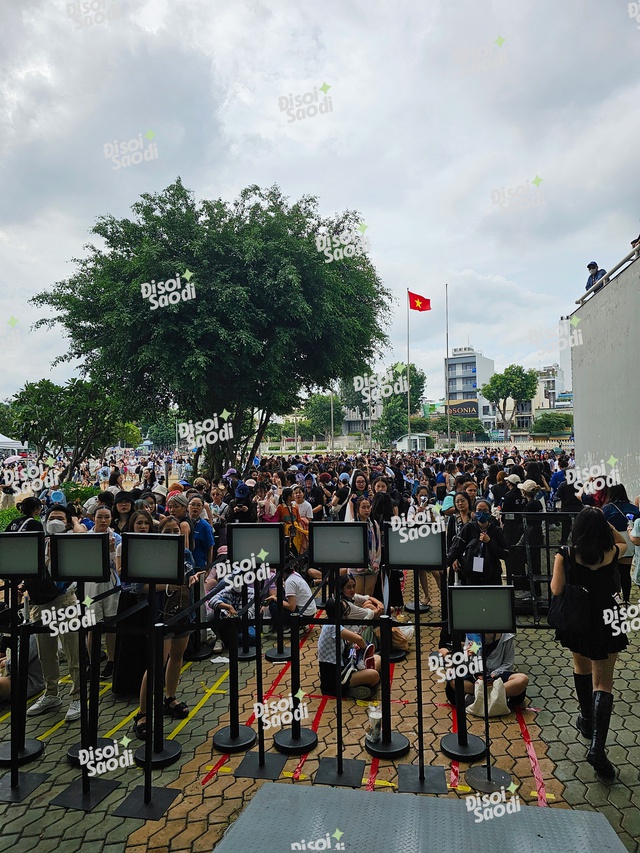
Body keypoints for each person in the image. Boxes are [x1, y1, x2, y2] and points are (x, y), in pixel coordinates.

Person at [550, 507, 629, 782]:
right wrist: (605, 524)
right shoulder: (612, 552)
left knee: (580, 666)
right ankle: (598, 747)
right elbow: (624, 541)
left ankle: (585, 718)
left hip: (577, 616)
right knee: (604, 683)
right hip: (608, 617)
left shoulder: (566, 553)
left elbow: (556, 590)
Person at [132, 515, 197, 737]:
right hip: (161, 613)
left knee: (177, 656)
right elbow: (138, 587)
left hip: (184, 611)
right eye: (167, 531)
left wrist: (192, 580)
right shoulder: (152, 554)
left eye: (175, 531)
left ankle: (170, 698)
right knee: (156, 663)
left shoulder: (186, 553)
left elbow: (187, 577)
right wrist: (169, 585)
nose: (172, 535)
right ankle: (142, 713)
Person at [22, 502, 82, 721]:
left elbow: (83, 533)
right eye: (51, 518)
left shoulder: (71, 542)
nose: (54, 522)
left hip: (65, 600)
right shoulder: (37, 543)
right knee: (46, 651)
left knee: (72, 650)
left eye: (61, 518)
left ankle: (77, 696)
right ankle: (51, 693)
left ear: (67, 523)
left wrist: (75, 522)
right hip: (39, 604)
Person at [317, 597, 380, 700]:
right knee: (374, 675)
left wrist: (351, 642)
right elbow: (359, 639)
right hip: (335, 677)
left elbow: (347, 645)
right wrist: (366, 651)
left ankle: (360, 684)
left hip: (346, 666)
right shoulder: (332, 626)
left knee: (378, 659)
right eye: (346, 612)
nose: (347, 615)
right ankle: (348, 689)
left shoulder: (333, 624)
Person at [85, 506, 121, 679]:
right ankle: (93, 662)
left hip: (111, 588)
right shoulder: (86, 538)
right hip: (89, 590)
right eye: (100, 517)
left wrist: (112, 551)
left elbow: (118, 568)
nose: (103, 520)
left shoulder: (117, 538)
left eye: (107, 517)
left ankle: (112, 661)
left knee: (111, 624)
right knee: (92, 626)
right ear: (94, 518)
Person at [447, 499, 508, 585]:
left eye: (485, 510)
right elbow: (456, 547)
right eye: (479, 510)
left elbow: (504, 553)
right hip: (471, 574)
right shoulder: (469, 528)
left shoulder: (496, 531)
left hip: (492, 574)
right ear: (474, 513)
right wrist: (447, 563)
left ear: (490, 513)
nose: (482, 513)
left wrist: (489, 542)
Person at [602, 484, 639, 606]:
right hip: (629, 541)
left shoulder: (607, 509)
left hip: (613, 542)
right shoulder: (634, 508)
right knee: (625, 573)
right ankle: (627, 600)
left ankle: (614, 598)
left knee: (611, 572)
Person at [0, 605, 45, 701]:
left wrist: (5, 662)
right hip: (14, 675)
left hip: (30, 681)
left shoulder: (28, 634)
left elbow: (18, 662)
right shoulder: (10, 632)